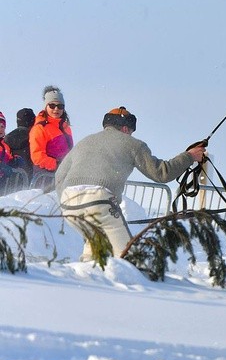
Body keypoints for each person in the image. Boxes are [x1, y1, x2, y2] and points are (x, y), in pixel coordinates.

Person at [55, 106, 206, 262]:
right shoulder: (132, 144)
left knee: (93, 255)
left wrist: (68, 201)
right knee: (128, 258)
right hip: (99, 200)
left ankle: (87, 282)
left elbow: (59, 176)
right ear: (126, 128)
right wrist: (189, 156)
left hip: (68, 205)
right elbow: (162, 173)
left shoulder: (84, 142)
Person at [30, 85, 74, 184]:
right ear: (46, 107)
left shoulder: (66, 128)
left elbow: (70, 152)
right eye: (52, 105)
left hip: (64, 177)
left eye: (60, 106)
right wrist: (57, 165)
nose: (56, 109)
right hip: (45, 178)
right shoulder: (40, 128)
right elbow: (37, 157)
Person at [4, 108, 36, 178]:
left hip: (11, 181)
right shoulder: (35, 137)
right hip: (33, 180)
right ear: (33, 121)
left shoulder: (7, 138)